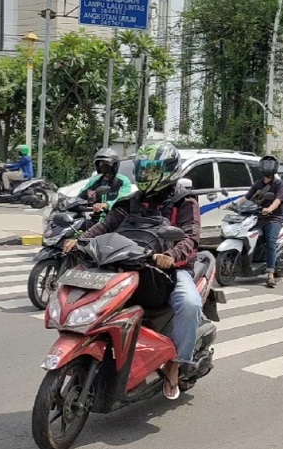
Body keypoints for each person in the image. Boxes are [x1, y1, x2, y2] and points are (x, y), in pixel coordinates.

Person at [63, 141, 201, 401]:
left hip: (169, 268)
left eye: (152, 170)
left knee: (190, 303)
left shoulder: (184, 200)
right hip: (129, 262)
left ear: (169, 170)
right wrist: (81, 240)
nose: (146, 176)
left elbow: (191, 238)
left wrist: (171, 257)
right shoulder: (134, 199)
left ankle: (176, 363)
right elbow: (107, 225)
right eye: (144, 170)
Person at [229, 155, 283, 287]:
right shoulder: (258, 183)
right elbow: (247, 197)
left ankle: (270, 274)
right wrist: (233, 205)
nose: (267, 167)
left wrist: (270, 209)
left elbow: (278, 201)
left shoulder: (279, 185)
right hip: (257, 217)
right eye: (265, 164)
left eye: (269, 165)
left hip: (273, 218)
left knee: (270, 241)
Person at [78, 148, 132, 217]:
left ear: (115, 164)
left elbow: (122, 199)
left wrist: (106, 205)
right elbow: (81, 196)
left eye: (107, 162)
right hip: (94, 219)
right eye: (101, 163)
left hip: (114, 219)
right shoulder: (95, 181)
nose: (103, 165)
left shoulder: (122, 181)